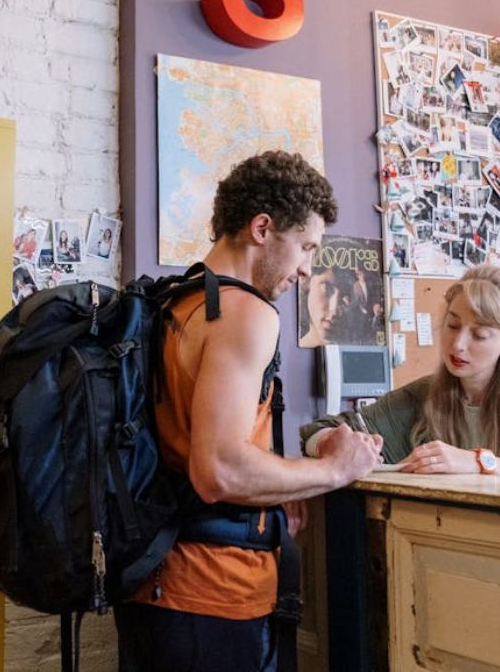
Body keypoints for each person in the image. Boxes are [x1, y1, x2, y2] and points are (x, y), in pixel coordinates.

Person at [115, 151, 384, 671]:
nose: (307, 268)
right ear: (263, 228)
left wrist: (284, 486)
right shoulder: (246, 313)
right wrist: (332, 470)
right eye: (305, 245)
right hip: (213, 594)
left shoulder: (177, 301)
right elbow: (218, 469)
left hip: (155, 584)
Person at [300, 258, 500, 484]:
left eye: (479, 335)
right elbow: (316, 432)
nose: (458, 344)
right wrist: (335, 443)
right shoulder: (421, 397)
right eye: (453, 325)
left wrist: (477, 462)